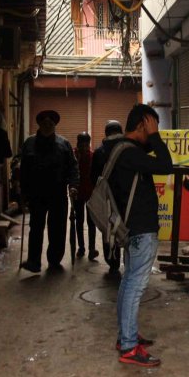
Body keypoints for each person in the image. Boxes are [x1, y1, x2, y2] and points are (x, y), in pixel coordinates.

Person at [109, 104, 173, 367]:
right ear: (141, 126)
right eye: (151, 128)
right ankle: (128, 346)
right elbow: (166, 165)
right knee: (135, 287)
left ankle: (127, 336)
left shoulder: (122, 151)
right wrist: (156, 137)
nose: (153, 135)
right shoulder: (130, 154)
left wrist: (152, 137)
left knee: (128, 283)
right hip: (141, 230)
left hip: (131, 229)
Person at [19, 110, 78, 272]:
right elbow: (23, 170)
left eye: (50, 123)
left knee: (57, 228)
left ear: (54, 125)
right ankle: (34, 261)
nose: (47, 125)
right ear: (39, 125)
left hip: (58, 194)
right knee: (36, 228)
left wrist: (73, 185)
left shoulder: (64, 144)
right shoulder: (29, 143)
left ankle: (54, 260)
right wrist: (23, 193)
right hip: (36, 194)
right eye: (44, 123)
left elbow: (73, 167)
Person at [91, 119, 125, 276]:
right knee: (126, 227)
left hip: (107, 197)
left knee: (109, 228)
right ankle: (128, 260)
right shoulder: (128, 149)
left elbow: (94, 178)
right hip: (125, 196)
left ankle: (112, 261)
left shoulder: (99, 151)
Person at [73, 131, 95, 259]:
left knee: (91, 222)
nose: (84, 147)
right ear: (78, 144)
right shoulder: (73, 155)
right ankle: (81, 248)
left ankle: (92, 249)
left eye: (87, 144)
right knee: (79, 221)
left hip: (90, 193)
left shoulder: (92, 156)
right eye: (82, 144)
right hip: (77, 194)